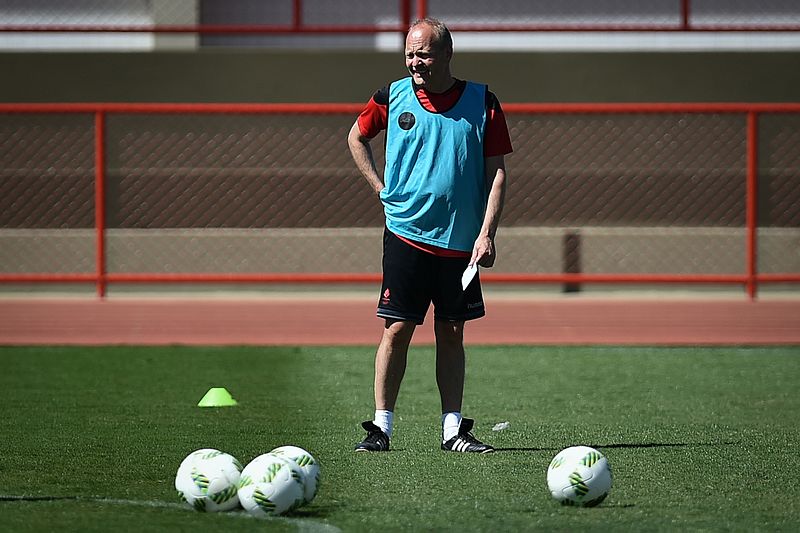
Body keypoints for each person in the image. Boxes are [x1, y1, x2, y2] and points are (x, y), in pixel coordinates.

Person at [347, 18, 512, 453]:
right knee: (397, 328)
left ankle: (453, 431)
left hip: (461, 244)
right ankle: (381, 428)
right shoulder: (391, 94)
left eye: (423, 53)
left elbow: (496, 172)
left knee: (452, 331)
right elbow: (355, 137)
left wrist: (487, 233)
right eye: (409, 54)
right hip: (405, 234)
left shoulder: (483, 101)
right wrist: (380, 189)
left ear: (446, 55)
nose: (415, 62)